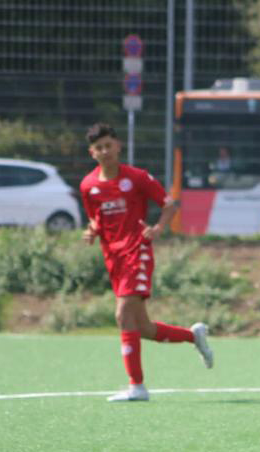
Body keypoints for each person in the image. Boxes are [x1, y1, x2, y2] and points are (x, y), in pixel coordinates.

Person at [80, 122, 213, 402]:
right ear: (92, 152)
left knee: (122, 315)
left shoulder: (137, 177)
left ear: (118, 146)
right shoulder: (88, 186)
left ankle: (137, 386)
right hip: (112, 258)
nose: (105, 151)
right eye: (99, 148)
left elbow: (169, 205)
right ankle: (193, 336)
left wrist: (158, 228)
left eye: (108, 145)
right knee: (143, 328)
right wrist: (92, 230)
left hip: (136, 251)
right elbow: (95, 218)